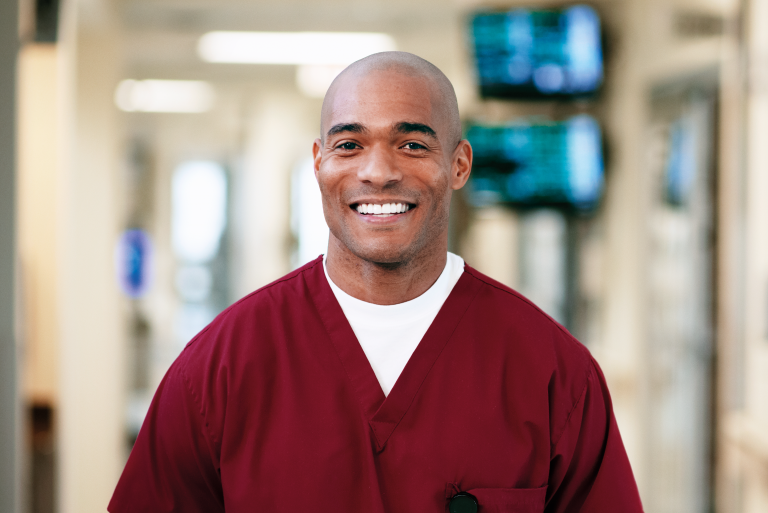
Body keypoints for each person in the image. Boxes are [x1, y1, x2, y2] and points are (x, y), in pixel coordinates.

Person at [109, 52, 643, 513]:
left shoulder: (553, 375)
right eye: (349, 145)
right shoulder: (217, 372)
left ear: (459, 165)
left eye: (412, 145)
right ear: (319, 164)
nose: (379, 172)